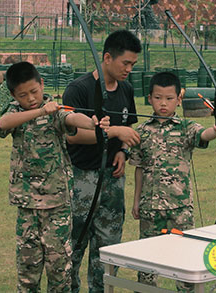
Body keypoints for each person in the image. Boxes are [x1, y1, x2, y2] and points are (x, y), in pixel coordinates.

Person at [0, 61, 110, 292]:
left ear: (42, 84)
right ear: (13, 95)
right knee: (28, 269)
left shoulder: (55, 111)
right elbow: (3, 123)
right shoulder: (15, 112)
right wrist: (39, 111)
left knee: (59, 269)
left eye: (34, 91)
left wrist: (93, 123)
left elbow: (72, 118)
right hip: (27, 204)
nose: (30, 98)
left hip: (57, 204)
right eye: (23, 95)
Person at [129, 71, 216, 291]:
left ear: (179, 99)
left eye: (169, 98)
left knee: (185, 259)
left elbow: (203, 135)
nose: (163, 104)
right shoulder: (142, 132)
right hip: (150, 208)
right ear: (149, 98)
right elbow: (138, 168)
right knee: (147, 262)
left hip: (180, 208)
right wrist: (136, 201)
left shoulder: (186, 127)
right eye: (157, 98)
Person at [62, 29, 142, 292]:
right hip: (82, 177)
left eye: (133, 64)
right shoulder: (79, 89)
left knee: (108, 246)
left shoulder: (126, 89)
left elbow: (128, 127)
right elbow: (72, 136)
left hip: (112, 180)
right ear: (107, 57)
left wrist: (122, 151)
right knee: (75, 242)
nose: (129, 69)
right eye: (125, 63)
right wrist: (112, 132)